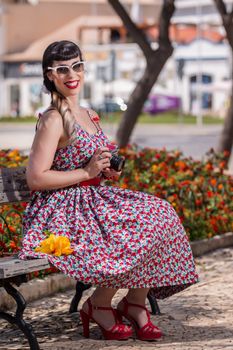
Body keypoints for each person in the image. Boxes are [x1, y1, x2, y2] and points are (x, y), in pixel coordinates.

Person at [19, 40, 198, 341]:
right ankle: (100, 304)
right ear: (50, 75)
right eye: (62, 69)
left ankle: (135, 303)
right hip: (61, 209)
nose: (71, 74)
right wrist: (86, 172)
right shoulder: (53, 118)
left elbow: (88, 165)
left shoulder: (88, 115)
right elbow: (36, 178)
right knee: (126, 232)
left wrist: (104, 171)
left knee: (159, 214)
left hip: (90, 198)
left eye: (77, 66)